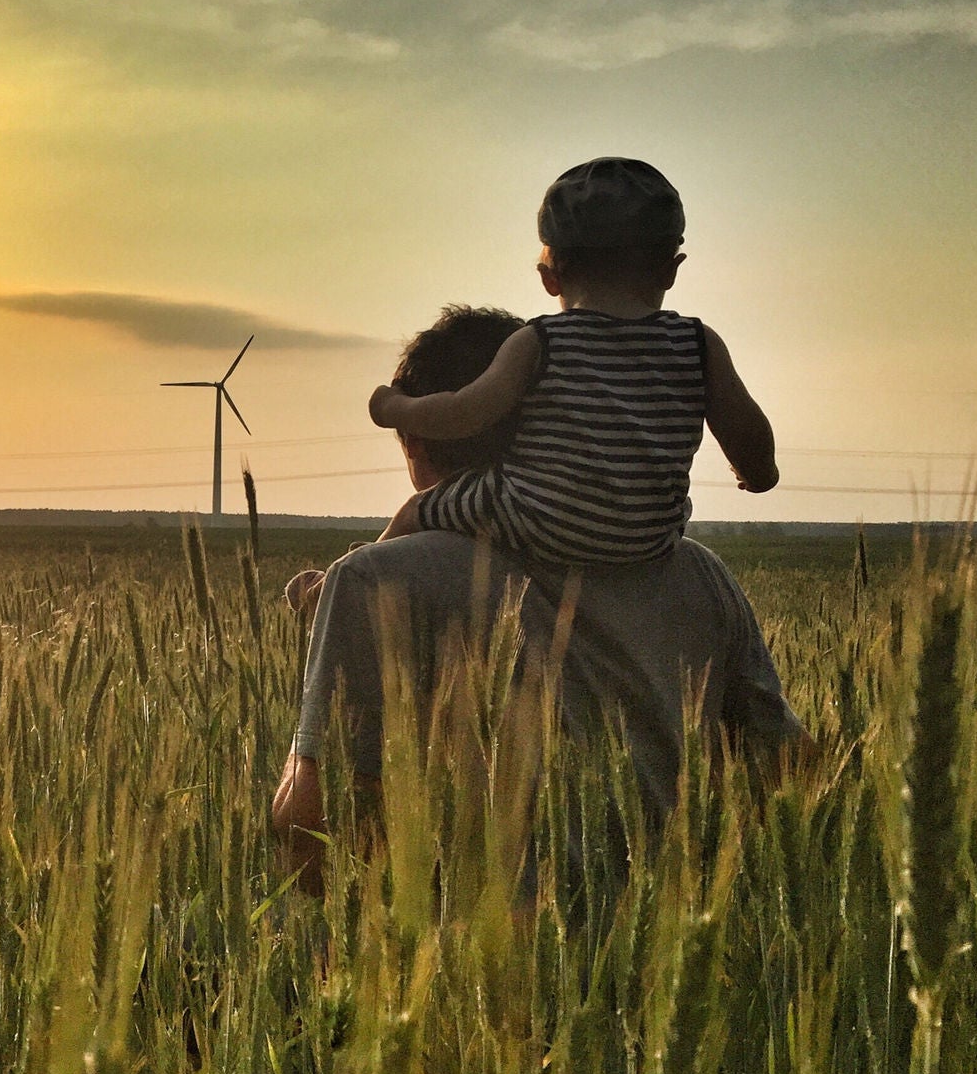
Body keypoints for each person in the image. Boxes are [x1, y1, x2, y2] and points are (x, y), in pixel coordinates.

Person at [272, 304, 808, 894]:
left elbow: (315, 831)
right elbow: (790, 773)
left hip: (468, 969)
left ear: (418, 437)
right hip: (667, 962)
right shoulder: (698, 573)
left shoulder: (371, 580)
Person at [366, 158, 779, 566]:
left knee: (417, 509)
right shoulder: (698, 344)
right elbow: (745, 427)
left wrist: (393, 408)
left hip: (540, 522)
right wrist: (759, 474)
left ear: (550, 278)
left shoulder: (539, 341)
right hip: (650, 540)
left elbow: (462, 413)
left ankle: (347, 580)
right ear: (671, 269)